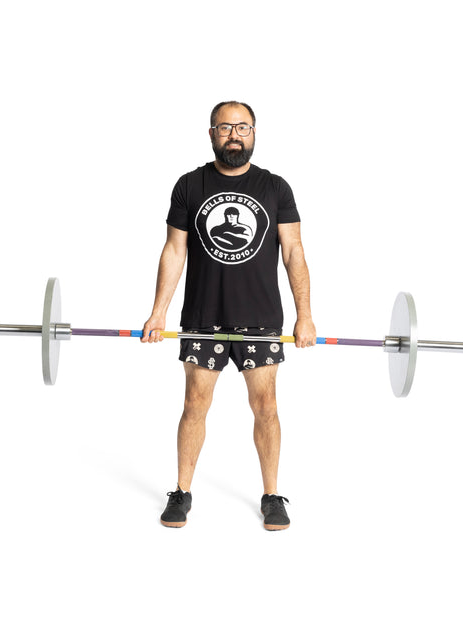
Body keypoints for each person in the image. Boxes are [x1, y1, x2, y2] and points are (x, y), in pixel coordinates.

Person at [142, 101, 316, 531]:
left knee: (267, 407)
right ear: (212, 134)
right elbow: (174, 249)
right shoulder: (189, 185)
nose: (234, 134)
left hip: (260, 316)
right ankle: (181, 492)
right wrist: (157, 313)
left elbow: (293, 251)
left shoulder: (275, 188)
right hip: (203, 316)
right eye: (225, 127)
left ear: (254, 132)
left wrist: (305, 316)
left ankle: (272, 496)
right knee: (194, 404)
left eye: (242, 127)